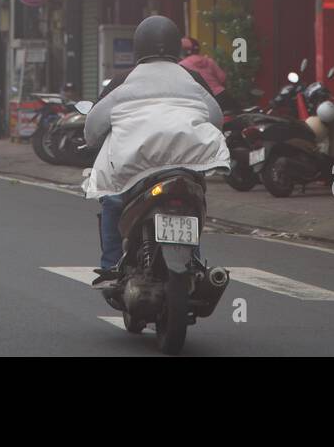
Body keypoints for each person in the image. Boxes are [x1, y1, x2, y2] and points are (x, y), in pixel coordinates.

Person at [83, 16, 231, 285]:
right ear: (176, 46)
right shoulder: (193, 78)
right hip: (187, 166)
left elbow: (93, 129)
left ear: (138, 47)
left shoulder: (122, 81)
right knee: (193, 205)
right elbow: (216, 119)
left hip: (137, 167)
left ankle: (111, 268)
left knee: (113, 201)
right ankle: (194, 262)